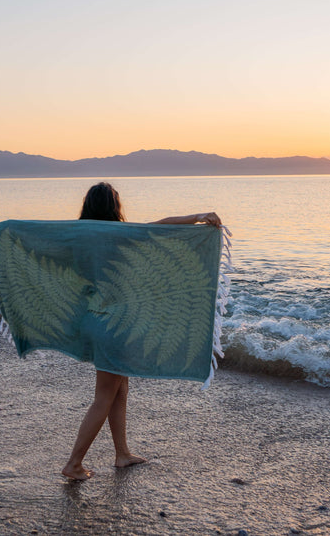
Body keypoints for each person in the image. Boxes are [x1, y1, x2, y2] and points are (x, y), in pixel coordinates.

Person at [61, 182, 221, 480]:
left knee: (119, 389)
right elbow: (163, 227)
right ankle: (73, 463)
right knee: (104, 396)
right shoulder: (122, 236)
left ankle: (122, 454)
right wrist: (199, 216)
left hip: (96, 321)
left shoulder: (78, 241)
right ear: (114, 206)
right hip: (116, 326)